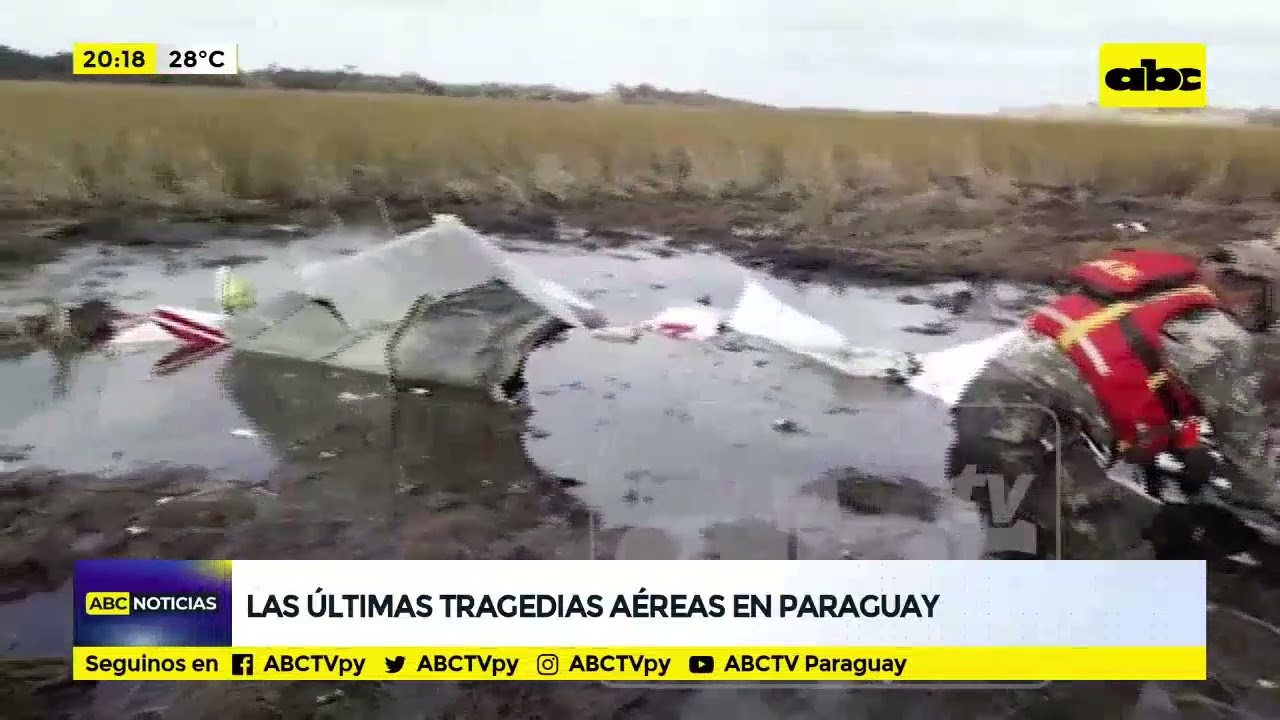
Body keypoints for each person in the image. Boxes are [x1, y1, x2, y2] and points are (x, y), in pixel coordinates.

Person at [947, 240, 1280, 560]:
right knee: (1110, 557)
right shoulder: (1220, 339)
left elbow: (1138, 376)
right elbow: (1254, 469)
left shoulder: (1151, 294)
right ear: (1252, 289)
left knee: (1022, 539)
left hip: (982, 413)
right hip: (1024, 437)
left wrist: (1184, 445)